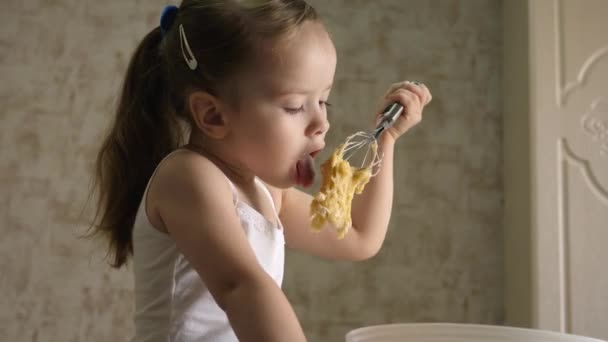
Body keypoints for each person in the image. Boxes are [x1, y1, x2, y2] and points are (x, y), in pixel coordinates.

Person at [91, 1, 432, 341]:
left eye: (323, 101)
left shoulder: (269, 194)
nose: (321, 124)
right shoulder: (188, 177)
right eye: (295, 106)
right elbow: (243, 288)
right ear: (213, 116)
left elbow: (359, 236)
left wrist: (385, 140)